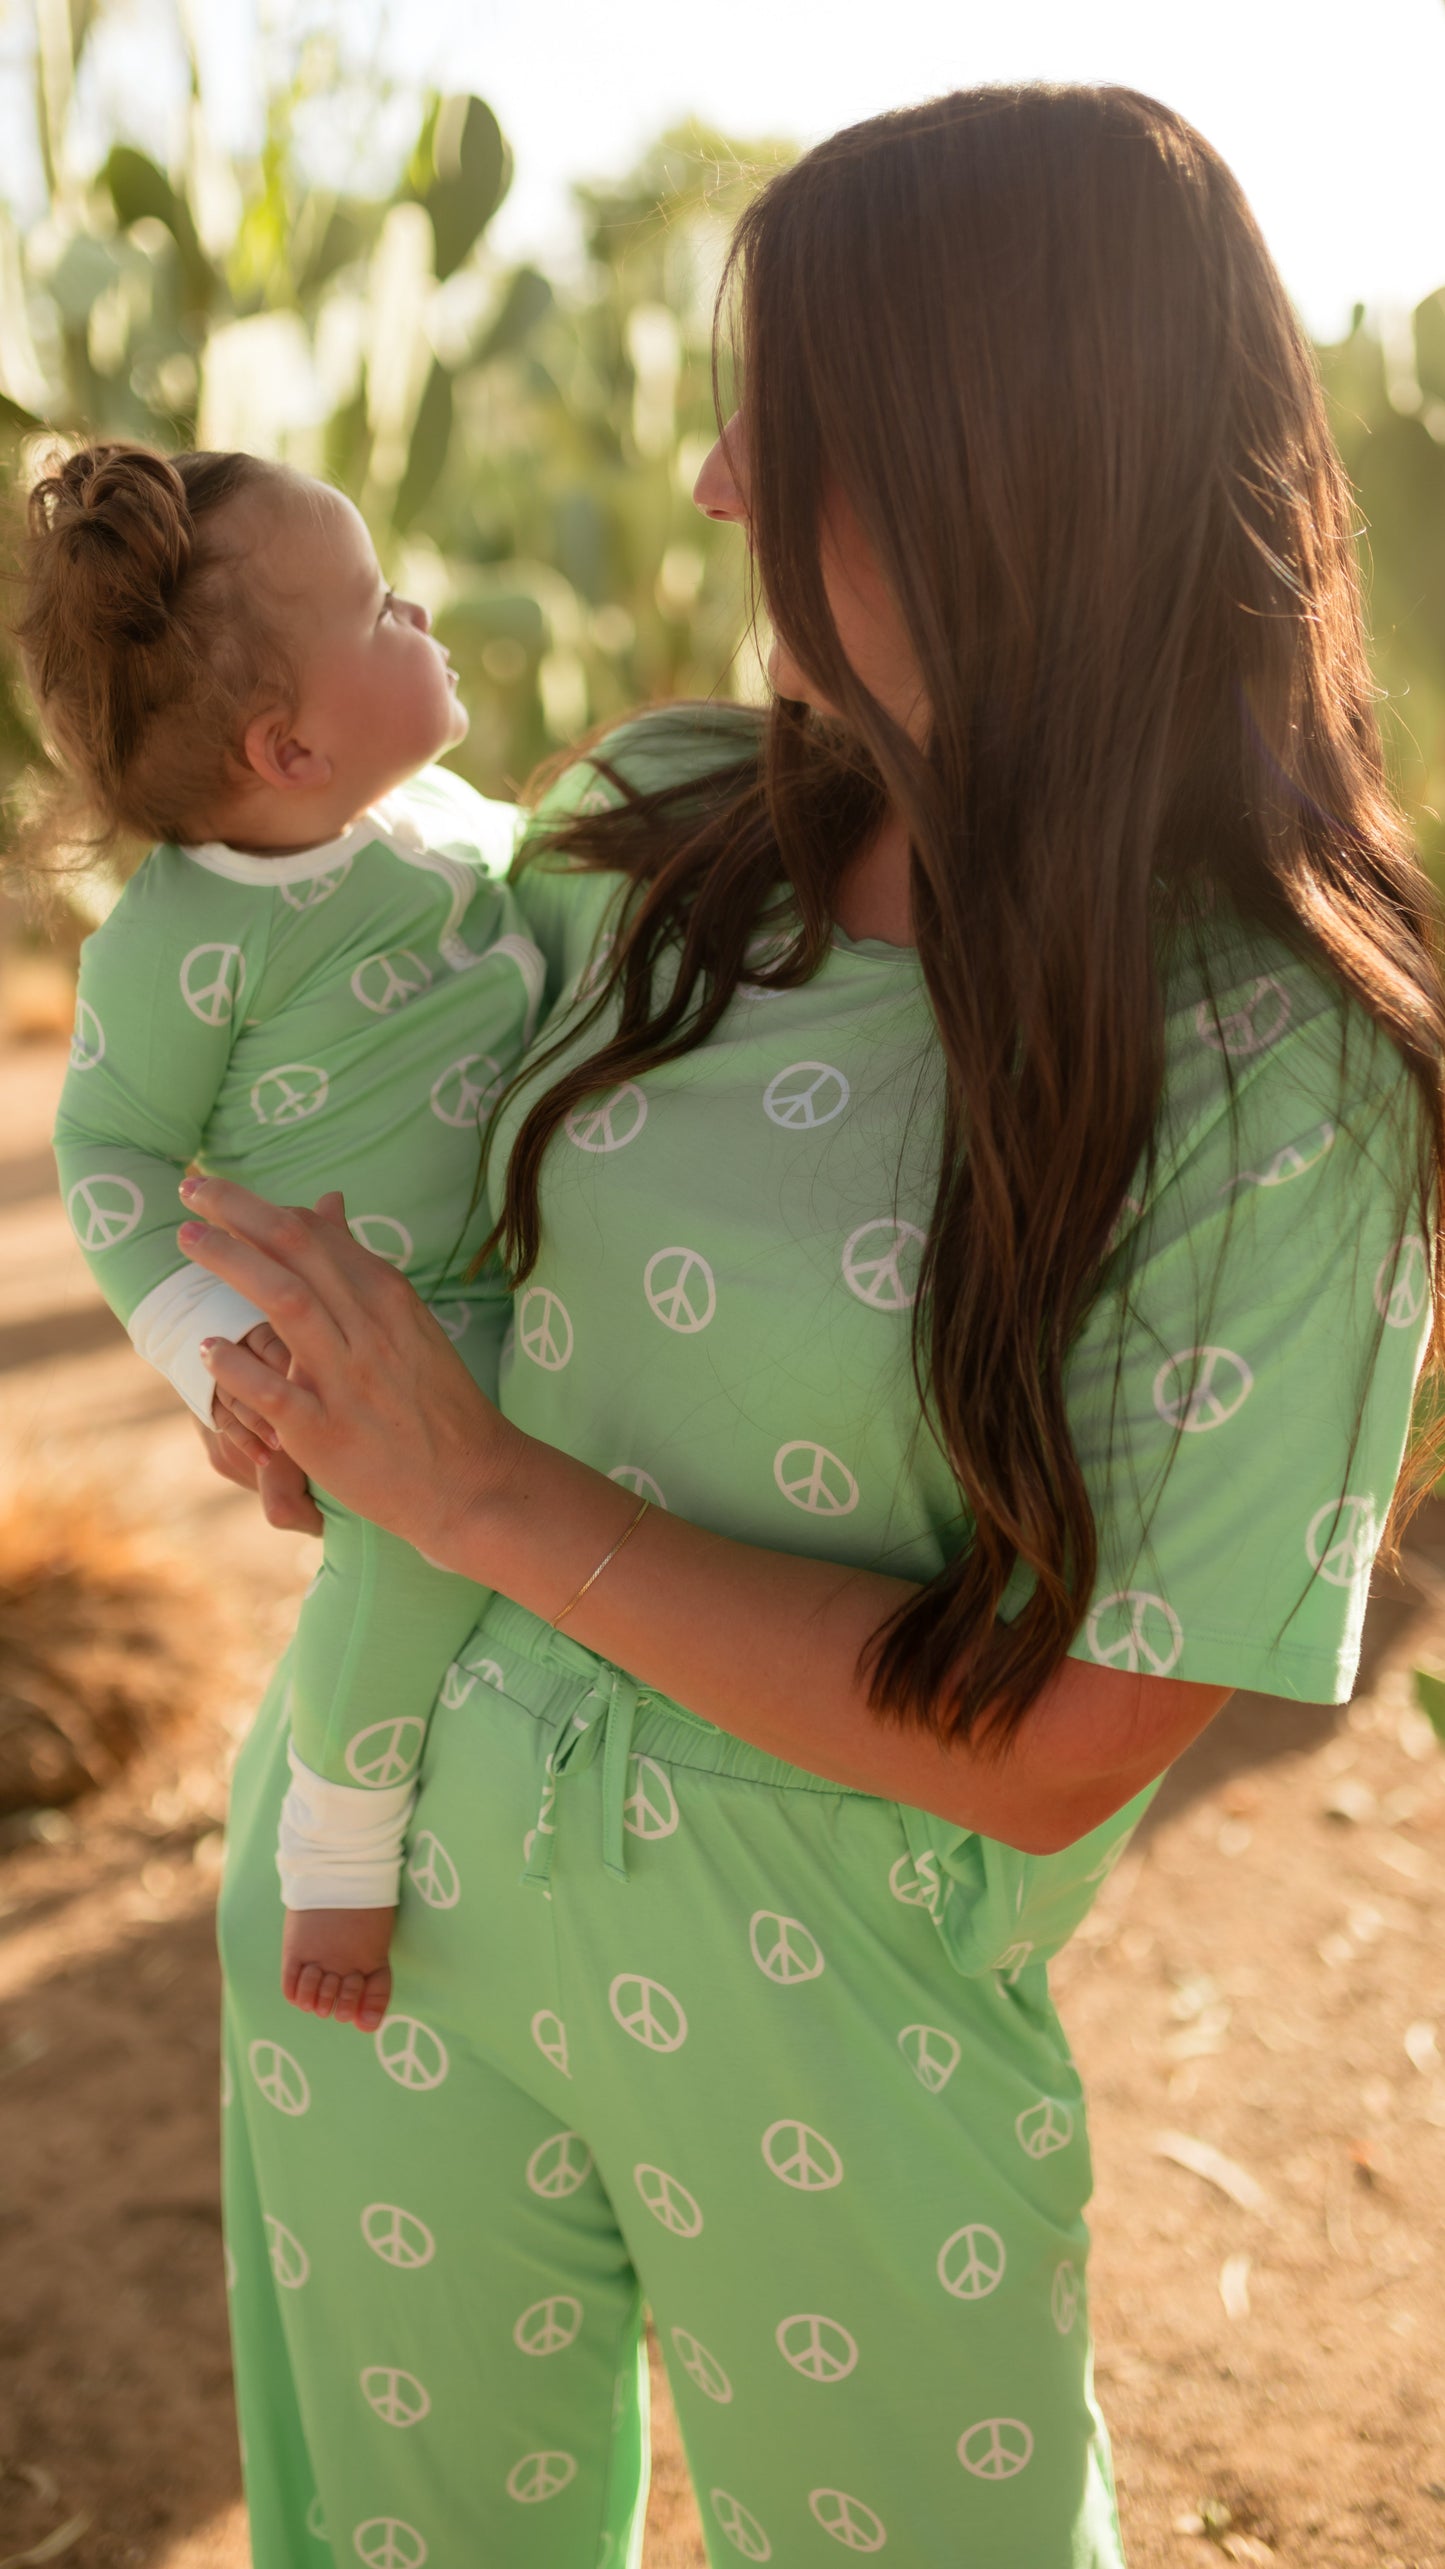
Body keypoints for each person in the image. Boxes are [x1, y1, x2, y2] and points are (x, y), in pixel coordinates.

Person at [184, 85, 1443, 2569]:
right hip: (372, 1893)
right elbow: (473, 1315)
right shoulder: (645, 829)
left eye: (805, 415)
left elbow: (1069, 1741)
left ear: (1005, 449)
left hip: (839, 2025)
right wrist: (329, 1413)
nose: (721, 484)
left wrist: (493, 1494)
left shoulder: (1288, 1068)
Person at [33, 443, 539, 2027]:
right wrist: (206, 1347)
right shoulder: (181, 944)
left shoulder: (447, 816)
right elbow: (105, 1146)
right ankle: (342, 1831)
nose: (424, 610)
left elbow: (559, 904)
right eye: (386, 606)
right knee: (400, 1574)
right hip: (379, 1330)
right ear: (290, 743)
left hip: (542, 1281)